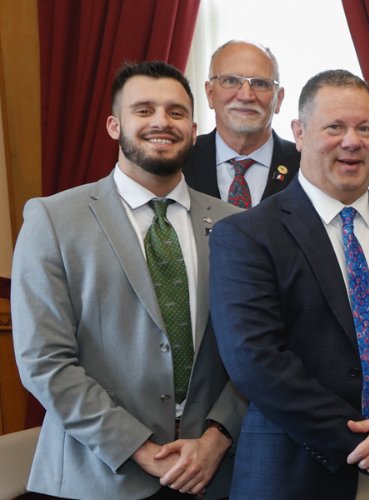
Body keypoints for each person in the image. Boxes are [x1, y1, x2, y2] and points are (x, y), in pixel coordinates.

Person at [211, 69, 369, 499]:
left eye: (364, 128)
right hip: (299, 471)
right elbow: (255, 360)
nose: (352, 141)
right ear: (299, 132)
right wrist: (367, 443)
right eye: (335, 127)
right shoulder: (247, 235)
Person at [13, 60, 243, 499]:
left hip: (213, 476)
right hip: (95, 476)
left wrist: (216, 439)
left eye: (176, 113)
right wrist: (137, 447)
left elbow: (257, 350)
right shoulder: (53, 220)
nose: (161, 121)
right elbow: (45, 361)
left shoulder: (237, 225)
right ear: (114, 125)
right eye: (144, 109)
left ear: (194, 129)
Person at [184, 40, 300, 208]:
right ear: (210, 93)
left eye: (260, 83)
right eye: (231, 81)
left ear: (279, 99)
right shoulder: (182, 160)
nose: (246, 96)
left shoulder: (305, 165)